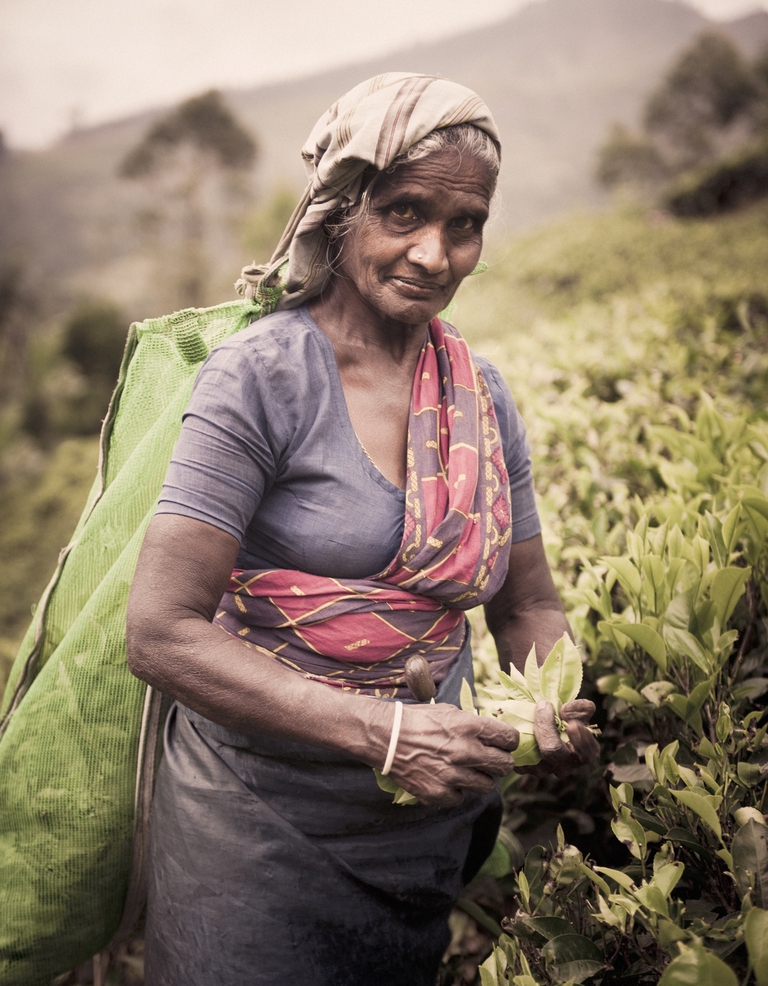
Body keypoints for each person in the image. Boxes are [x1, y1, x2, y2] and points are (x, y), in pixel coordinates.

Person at [126, 73, 598, 986]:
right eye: (404, 211)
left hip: (425, 830)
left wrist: (552, 695)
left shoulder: (480, 392)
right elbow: (160, 632)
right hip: (258, 832)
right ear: (344, 211)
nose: (435, 252)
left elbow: (529, 600)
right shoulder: (261, 378)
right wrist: (383, 735)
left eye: (466, 224)